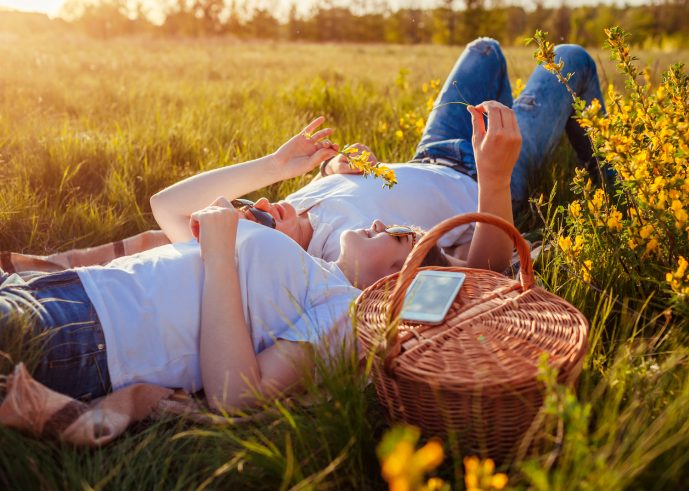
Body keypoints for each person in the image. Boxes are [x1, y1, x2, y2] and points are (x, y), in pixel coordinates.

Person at [0, 100, 521, 411]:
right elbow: (168, 206)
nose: (382, 223)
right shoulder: (309, 267)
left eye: (401, 237)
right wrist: (276, 164)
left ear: (395, 278)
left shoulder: (342, 307)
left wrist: (222, 255)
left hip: (92, 334)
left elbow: (235, 395)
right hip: (76, 290)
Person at [0, 39, 603, 275]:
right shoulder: (343, 255)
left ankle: (536, 128)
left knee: (485, 51)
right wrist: (495, 174)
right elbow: (476, 274)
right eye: (258, 218)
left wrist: (327, 170)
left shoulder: (289, 211)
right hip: (485, 172)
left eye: (251, 204)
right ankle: (607, 183)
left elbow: (167, 211)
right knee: (571, 60)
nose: (263, 205)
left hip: (432, 149)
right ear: (260, 253)